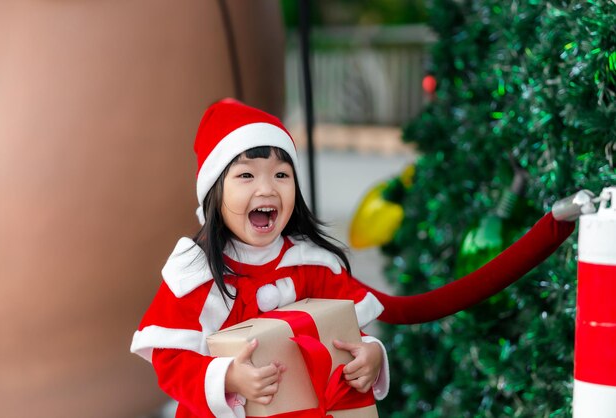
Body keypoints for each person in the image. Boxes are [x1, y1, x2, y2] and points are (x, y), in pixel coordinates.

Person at [131, 98, 576, 418]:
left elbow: (348, 332)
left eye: (281, 175)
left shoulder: (311, 262)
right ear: (214, 192)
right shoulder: (195, 273)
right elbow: (171, 359)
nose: (266, 189)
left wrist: (370, 355)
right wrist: (227, 379)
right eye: (246, 175)